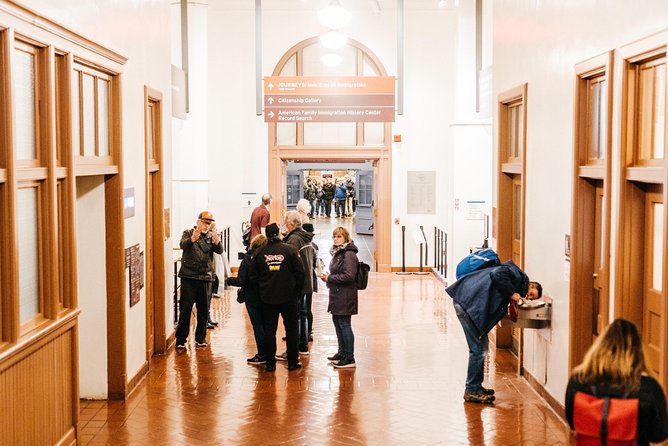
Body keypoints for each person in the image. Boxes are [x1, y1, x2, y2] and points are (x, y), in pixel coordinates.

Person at [445, 260, 542, 403]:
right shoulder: (518, 276)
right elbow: (496, 274)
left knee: (482, 347)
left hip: (467, 302)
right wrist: (513, 294)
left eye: (531, 298)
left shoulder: (515, 280)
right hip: (467, 304)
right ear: (530, 285)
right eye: (531, 294)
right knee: (478, 350)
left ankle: (476, 386)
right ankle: (471, 390)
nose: (528, 297)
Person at [565, 319, 667, 446]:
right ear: (638, 351)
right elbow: (659, 434)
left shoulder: (578, 380)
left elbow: (573, 422)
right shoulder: (648, 387)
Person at [249, 223, 305, 372]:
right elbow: (301, 273)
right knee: (291, 330)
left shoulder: (259, 253)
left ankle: (270, 363)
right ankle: (293, 362)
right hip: (289, 297)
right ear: (279, 233)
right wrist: (297, 292)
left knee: (270, 331)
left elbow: (253, 277)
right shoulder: (290, 250)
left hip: (268, 298)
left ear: (266, 235)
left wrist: (261, 291)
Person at [175, 211, 224, 350]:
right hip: (189, 277)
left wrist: (217, 242)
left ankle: (200, 338)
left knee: (203, 309)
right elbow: (183, 245)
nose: (206, 226)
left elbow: (219, 251)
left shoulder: (211, 237)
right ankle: (180, 339)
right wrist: (192, 239)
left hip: (205, 278)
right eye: (204, 222)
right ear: (198, 222)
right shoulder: (188, 233)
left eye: (209, 223)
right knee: (185, 309)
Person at [320, 226, 360, 369]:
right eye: (334, 236)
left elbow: (349, 276)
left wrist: (330, 277)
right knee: (338, 322)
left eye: (339, 236)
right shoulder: (338, 252)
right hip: (338, 293)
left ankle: (349, 357)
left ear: (346, 238)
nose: (336, 239)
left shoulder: (348, 254)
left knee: (344, 324)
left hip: (345, 295)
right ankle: (342, 352)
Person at [226, 234, 268, 365]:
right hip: (267, 296)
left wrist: (227, 280)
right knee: (268, 325)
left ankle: (262, 354)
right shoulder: (268, 258)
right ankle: (270, 353)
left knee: (258, 326)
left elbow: (241, 281)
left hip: (252, 297)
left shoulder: (247, 259)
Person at [282, 211, 315, 356]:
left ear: (291, 223)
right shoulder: (304, 237)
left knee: (294, 317)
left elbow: (290, 262)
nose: (284, 225)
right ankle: (303, 346)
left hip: (297, 283)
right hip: (306, 281)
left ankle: (294, 349)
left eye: (286, 222)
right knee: (302, 315)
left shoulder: (294, 239)